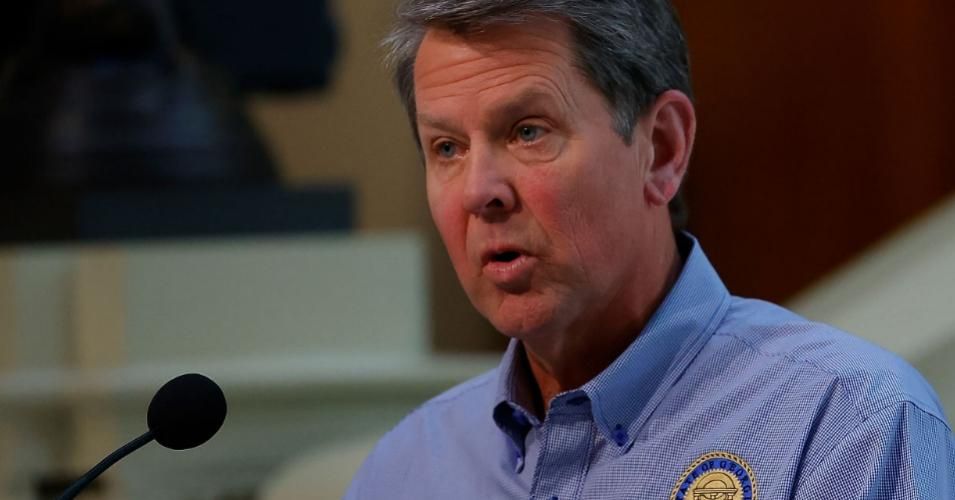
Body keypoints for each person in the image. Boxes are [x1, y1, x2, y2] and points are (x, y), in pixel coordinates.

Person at [346, 1, 955, 498]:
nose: (480, 192)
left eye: (528, 131)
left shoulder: (846, 426)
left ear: (661, 149)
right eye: (447, 148)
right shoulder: (403, 470)